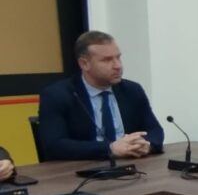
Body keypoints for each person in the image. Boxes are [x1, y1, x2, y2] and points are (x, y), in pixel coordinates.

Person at [38, 30, 163, 161]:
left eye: (118, 57)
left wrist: (146, 145)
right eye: (107, 60)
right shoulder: (57, 95)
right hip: (83, 167)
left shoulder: (132, 90)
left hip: (130, 164)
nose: (117, 66)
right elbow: (54, 145)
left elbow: (155, 130)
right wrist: (110, 148)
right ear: (84, 64)